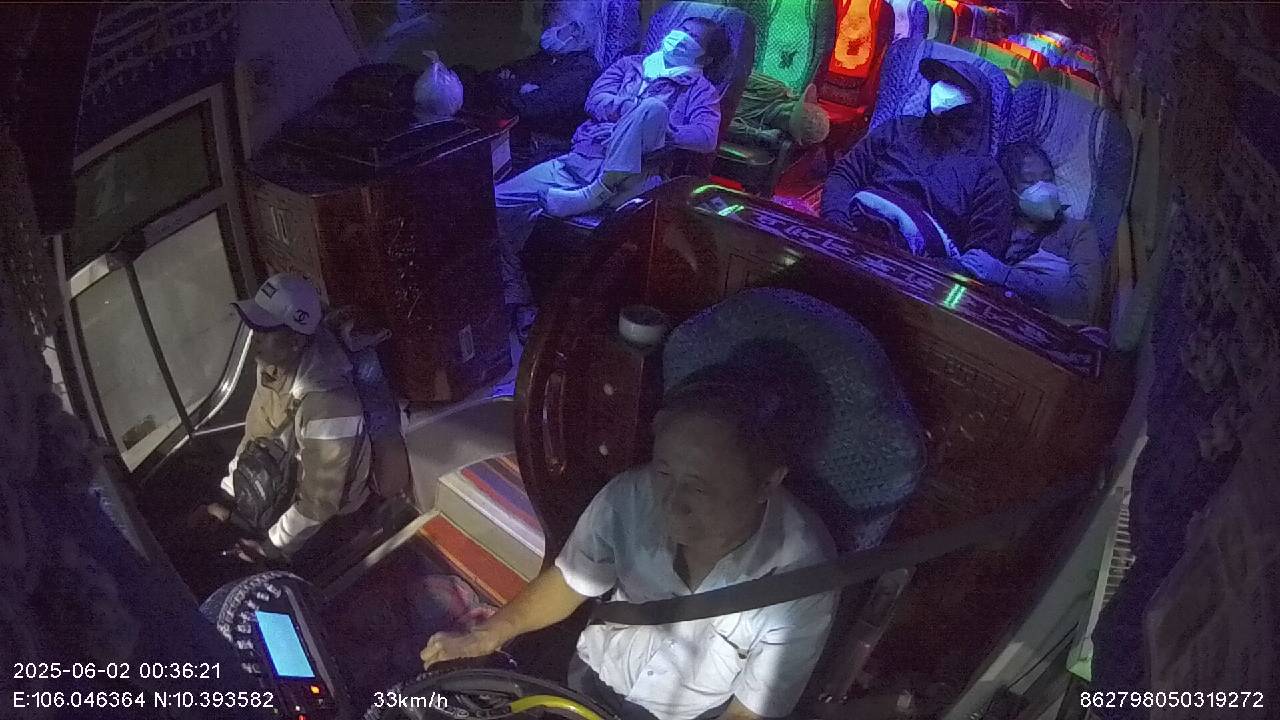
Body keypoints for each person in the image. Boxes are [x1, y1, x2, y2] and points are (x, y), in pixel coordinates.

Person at [419, 366, 837, 720]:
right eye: (665, 473)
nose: (671, 504)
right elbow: (572, 580)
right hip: (590, 681)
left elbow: (749, 712)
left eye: (700, 488)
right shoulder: (630, 498)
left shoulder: (802, 578)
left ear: (767, 482)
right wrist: (490, 633)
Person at [496, 16, 731, 342]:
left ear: (705, 57)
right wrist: (629, 119)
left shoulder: (701, 91)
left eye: (692, 36)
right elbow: (595, 100)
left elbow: (705, 136)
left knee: (654, 110)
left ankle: (597, 191)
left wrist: (652, 128)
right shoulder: (631, 65)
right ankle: (519, 298)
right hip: (581, 161)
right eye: (680, 29)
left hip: (636, 179)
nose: (680, 37)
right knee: (494, 203)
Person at [193, 273, 371, 562]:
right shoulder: (272, 367)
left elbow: (319, 502)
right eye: (255, 327)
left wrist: (269, 549)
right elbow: (255, 436)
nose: (255, 338)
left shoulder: (330, 405)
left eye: (265, 331)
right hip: (282, 487)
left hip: (330, 522)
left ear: (296, 341)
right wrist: (228, 496)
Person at [820, 57, 1013, 259]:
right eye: (940, 80)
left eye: (953, 84)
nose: (941, 88)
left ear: (976, 103)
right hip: (852, 235)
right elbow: (845, 174)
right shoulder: (897, 129)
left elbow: (982, 257)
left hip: (916, 265)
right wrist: (838, 226)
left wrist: (920, 269)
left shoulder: (987, 176)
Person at [959, 142, 1102, 323]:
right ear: (1009, 191)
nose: (1043, 188)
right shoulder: (992, 228)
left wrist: (1006, 276)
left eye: (1048, 179)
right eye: (1029, 181)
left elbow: (1083, 304)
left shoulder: (1077, 232)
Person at [464, 18, 602, 138]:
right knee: (466, 77)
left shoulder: (583, 70)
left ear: (577, 32)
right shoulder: (548, 57)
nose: (551, 30)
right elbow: (503, 73)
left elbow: (532, 107)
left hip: (543, 142)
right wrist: (518, 87)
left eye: (559, 27)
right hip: (518, 126)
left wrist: (509, 85)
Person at [728, 74, 831, 148]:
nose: (786, 114)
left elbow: (724, 125)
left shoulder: (761, 130)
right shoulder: (775, 89)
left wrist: (757, 134)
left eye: (789, 120)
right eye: (791, 110)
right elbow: (737, 73)